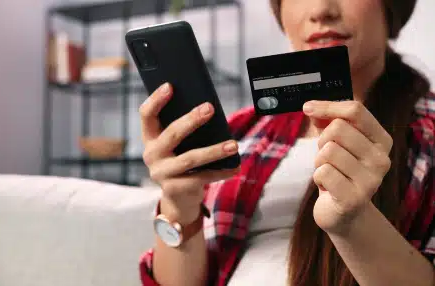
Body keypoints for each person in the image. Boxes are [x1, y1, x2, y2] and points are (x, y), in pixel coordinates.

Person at [137, 0, 435, 285]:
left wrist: (353, 223)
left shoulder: (428, 131)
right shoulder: (241, 131)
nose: (321, 10)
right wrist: (179, 206)